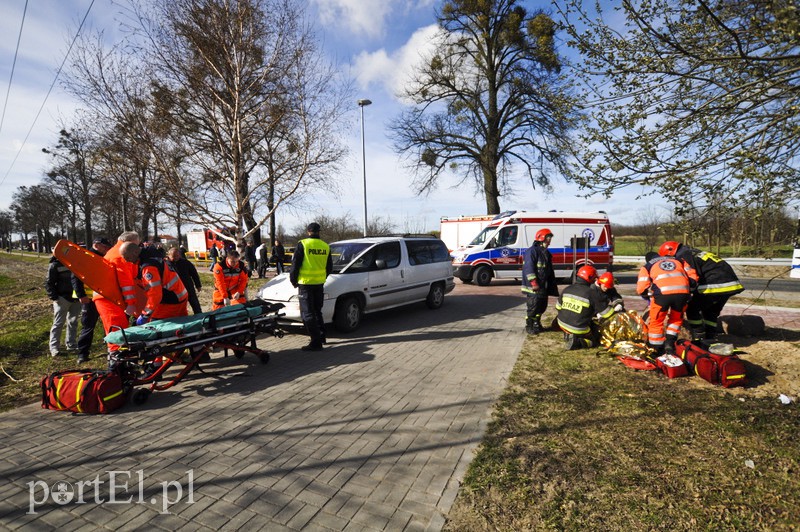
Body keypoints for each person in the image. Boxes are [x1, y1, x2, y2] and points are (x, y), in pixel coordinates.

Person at [659, 241, 745, 341]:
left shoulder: (683, 255)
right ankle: (710, 338)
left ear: (670, 252)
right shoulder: (693, 252)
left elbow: (692, 276)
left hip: (715, 284)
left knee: (692, 308)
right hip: (731, 285)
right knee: (710, 312)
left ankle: (698, 336)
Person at [637, 251, 698, 355]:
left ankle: (656, 349)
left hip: (662, 295)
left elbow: (641, 288)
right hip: (682, 293)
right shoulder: (678, 260)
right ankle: (669, 343)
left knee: (656, 321)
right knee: (676, 319)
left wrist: (648, 294)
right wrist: (689, 289)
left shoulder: (647, 266)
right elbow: (693, 278)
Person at [95, 231, 141, 357]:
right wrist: (131, 303)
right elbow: (126, 281)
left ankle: (118, 362)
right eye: (136, 245)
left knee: (116, 330)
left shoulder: (115, 251)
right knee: (117, 332)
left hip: (109, 296)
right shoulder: (122, 255)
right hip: (110, 298)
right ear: (131, 243)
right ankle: (116, 363)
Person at [120, 242, 188, 323]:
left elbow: (155, 294)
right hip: (177, 295)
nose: (126, 260)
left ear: (135, 252)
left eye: (127, 257)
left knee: (157, 326)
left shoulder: (148, 267)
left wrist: (145, 315)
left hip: (172, 300)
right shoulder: (151, 256)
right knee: (182, 325)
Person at [290, 222, 332, 351]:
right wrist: (322, 278)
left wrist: (293, 280)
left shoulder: (303, 244)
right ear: (319, 232)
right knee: (317, 311)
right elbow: (329, 267)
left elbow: (295, 264)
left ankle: (315, 342)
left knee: (307, 313)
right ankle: (322, 336)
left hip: (305, 283)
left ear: (308, 231)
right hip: (319, 283)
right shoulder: (325, 246)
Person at [72, 237, 112, 363]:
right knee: (88, 326)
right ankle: (82, 353)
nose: (106, 249)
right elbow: (75, 277)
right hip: (89, 299)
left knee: (109, 324)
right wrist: (81, 295)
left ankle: (112, 349)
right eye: (104, 247)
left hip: (103, 297)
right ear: (96, 245)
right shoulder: (85, 257)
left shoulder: (104, 257)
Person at [556, 265, 611, 349]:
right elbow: (606, 314)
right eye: (594, 278)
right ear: (590, 278)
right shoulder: (591, 293)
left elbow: (558, 307)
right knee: (595, 341)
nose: (594, 280)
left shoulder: (567, 288)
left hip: (561, 323)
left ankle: (568, 335)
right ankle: (578, 343)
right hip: (577, 328)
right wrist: (615, 310)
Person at [521, 228, 558, 335]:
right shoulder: (532, 251)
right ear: (541, 238)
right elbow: (529, 268)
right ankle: (530, 326)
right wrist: (534, 283)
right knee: (533, 307)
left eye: (550, 237)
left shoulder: (545, 253)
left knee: (541, 307)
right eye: (548, 237)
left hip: (543, 286)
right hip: (534, 287)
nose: (550, 240)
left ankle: (537, 324)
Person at [45, 256, 81, 357]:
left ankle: (71, 344)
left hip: (75, 297)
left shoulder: (76, 263)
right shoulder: (55, 265)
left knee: (73, 322)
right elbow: (49, 282)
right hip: (62, 298)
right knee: (58, 323)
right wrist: (54, 297)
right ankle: (54, 348)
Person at [166, 246, 203, 314]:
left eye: (177, 255)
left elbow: (194, 274)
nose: (176, 258)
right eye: (174, 256)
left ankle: (199, 317)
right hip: (175, 291)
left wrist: (198, 285)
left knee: (195, 305)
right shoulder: (166, 265)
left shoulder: (185, 263)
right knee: (179, 309)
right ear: (169, 256)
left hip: (188, 287)